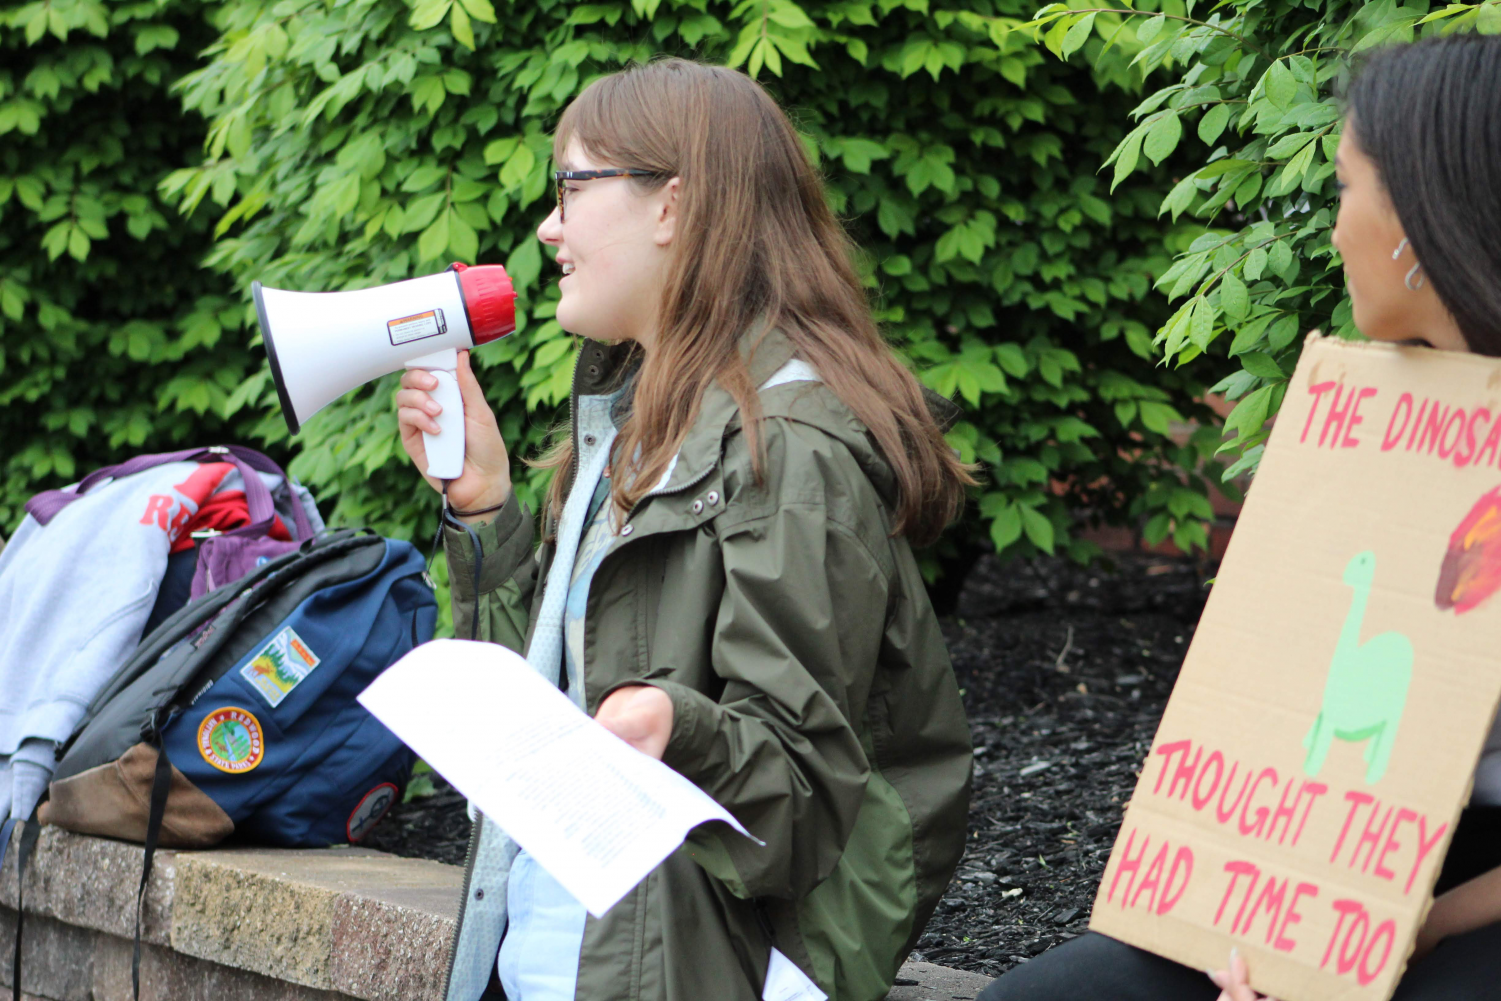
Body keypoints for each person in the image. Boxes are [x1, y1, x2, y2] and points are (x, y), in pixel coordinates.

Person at [394, 58, 975, 1001]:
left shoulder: (787, 452)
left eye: (572, 187)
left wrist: (676, 726)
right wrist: (486, 511)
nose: (549, 226)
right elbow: (550, 725)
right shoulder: (630, 427)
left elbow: (795, 811)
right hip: (561, 956)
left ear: (674, 206)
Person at [977, 32, 1501, 1001]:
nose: (1334, 229)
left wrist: (1406, 930)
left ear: (1414, 221)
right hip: (1342, 844)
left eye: (1344, 188)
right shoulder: (1373, 426)